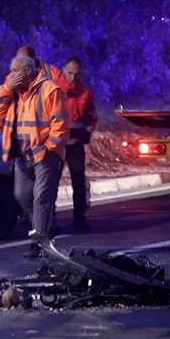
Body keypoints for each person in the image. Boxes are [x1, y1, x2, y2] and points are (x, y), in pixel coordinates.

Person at [0, 55, 69, 257]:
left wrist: (49, 147)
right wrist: (6, 87)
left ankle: (38, 242)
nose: (12, 74)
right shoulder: (12, 89)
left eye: (15, 71)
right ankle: (45, 226)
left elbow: (60, 123)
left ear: (27, 71)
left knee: (42, 197)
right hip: (22, 155)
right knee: (22, 196)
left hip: (46, 154)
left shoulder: (49, 89)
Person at [55, 57, 97, 231]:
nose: (72, 77)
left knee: (78, 182)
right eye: (70, 73)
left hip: (76, 145)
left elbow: (91, 115)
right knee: (51, 183)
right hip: (56, 144)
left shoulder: (85, 90)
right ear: (64, 70)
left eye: (76, 74)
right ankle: (48, 218)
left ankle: (79, 219)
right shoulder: (54, 88)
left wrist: (86, 133)